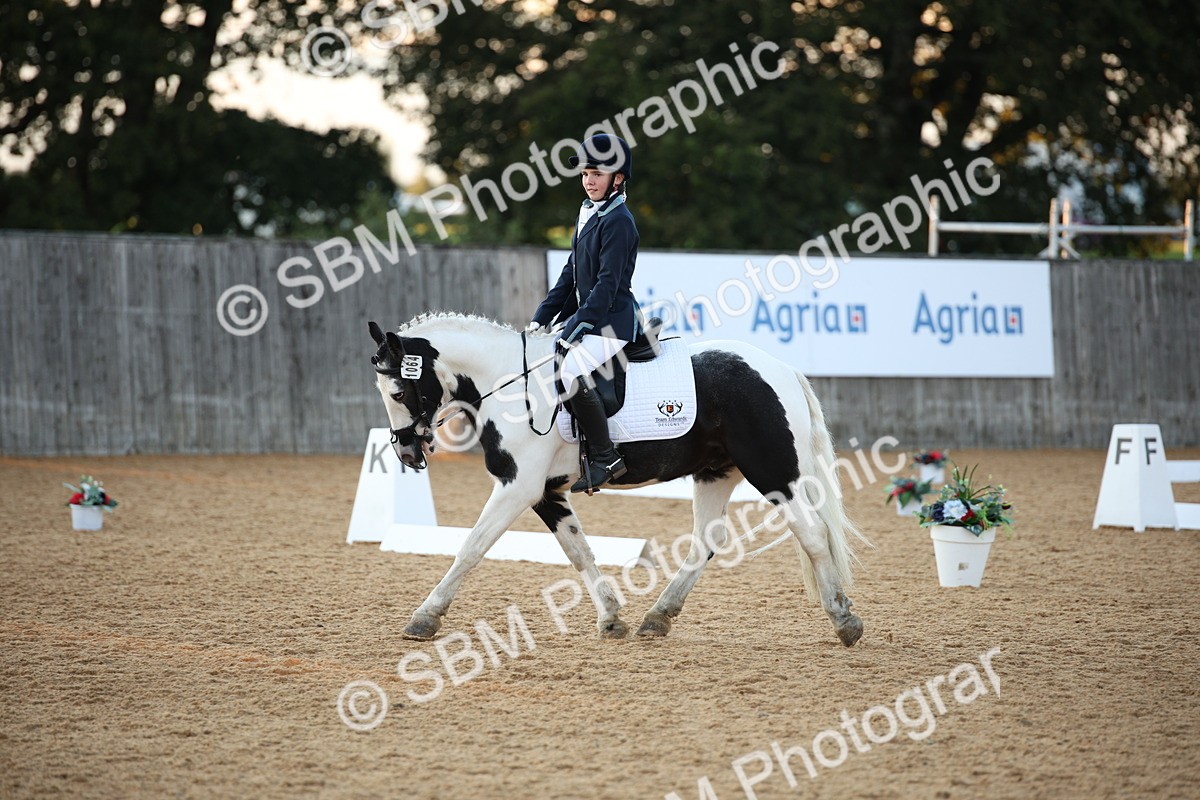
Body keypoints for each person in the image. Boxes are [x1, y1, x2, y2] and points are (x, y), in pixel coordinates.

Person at [529, 133, 643, 493]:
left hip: (614, 323)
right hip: (592, 319)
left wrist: (575, 325)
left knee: (571, 370)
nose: (589, 181)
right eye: (584, 174)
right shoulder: (589, 213)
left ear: (618, 178)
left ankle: (606, 456)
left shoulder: (619, 221)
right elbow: (571, 275)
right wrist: (540, 318)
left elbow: (607, 287)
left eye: (597, 174)